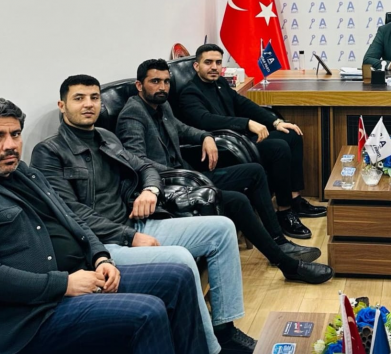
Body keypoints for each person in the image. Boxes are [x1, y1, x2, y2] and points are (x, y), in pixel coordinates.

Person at [0, 97, 207, 354]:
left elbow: (72, 219)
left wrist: (100, 257)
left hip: (79, 278)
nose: (10, 145)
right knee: (147, 312)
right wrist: (64, 284)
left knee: (177, 276)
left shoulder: (27, 175)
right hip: (28, 319)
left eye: (15, 134)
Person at [30, 76, 258, 354]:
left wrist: (150, 190)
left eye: (94, 98)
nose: (88, 104)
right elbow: (70, 213)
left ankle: (225, 331)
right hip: (103, 244)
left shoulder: (106, 137)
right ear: (62, 106)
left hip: (136, 223)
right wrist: (130, 236)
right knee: (181, 259)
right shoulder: (49, 152)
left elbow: (146, 166)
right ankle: (211, 349)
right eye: (79, 98)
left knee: (221, 228)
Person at [113, 67, 336, 283]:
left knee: (255, 172)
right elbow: (138, 161)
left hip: (189, 176)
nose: (162, 87)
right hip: (171, 185)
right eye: (155, 81)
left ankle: (279, 241)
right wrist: (181, 173)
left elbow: (181, 129)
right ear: (139, 85)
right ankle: (286, 264)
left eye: (166, 81)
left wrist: (205, 137)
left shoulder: (162, 105)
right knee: (237, 200)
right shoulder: (133, 115)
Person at [177, 44, 326, 239]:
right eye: (208, 62)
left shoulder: (220, 83)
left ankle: (295, 199)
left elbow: (243, 104)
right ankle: (284, 212)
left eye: (218, 62)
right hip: (224, 148)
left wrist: (276, 122)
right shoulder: (189, 93)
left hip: (239, 140)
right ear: (196, 66)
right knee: (278, 147)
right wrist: (247, 123)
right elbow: (205, 120)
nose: (214, 67)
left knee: (291, 133)